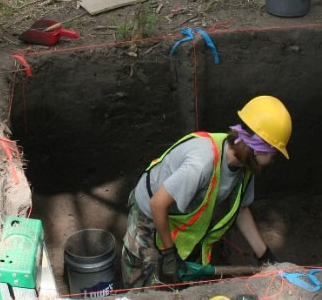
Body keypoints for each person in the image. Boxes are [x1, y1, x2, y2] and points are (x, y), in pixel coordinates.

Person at [121, 95, 292, 288]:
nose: (275, 159)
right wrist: (169, 254)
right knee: (145, 289)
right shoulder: (201, 164)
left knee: (178, 284)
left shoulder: (244, 166)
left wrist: (265, 256)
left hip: (177, 219)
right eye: (275, 152)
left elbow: (241, 211)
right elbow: (157, 204)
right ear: (260, 149)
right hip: (149, 217)